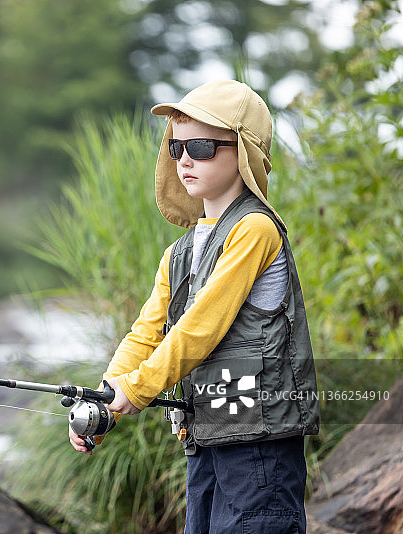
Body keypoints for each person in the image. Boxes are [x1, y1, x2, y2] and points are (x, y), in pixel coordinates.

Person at [68, 80, 320, 533]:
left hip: (259, 450)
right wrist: (104, 399)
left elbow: (200, 328)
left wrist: (138, 390)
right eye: (176, 146)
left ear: (243, 151)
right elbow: (146, 334)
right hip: (204, 444)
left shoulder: (255, 230)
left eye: (202, 146)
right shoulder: (178, 252)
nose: (184, 158)